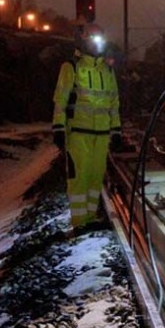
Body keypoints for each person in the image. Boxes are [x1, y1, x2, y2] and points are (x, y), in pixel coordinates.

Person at [52, 20, 123, 234]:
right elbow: (61, 99)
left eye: (98, 38)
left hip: (101, 135)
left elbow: (113, 102)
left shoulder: (107, 70)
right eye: (91, 38)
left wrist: (116, 130)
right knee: (79, 177)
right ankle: (79, 222)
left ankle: (90, 217)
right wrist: (58, 127)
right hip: (79, 133)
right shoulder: (71, 66)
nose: (96, 43)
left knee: (95, 176)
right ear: (81, 40)